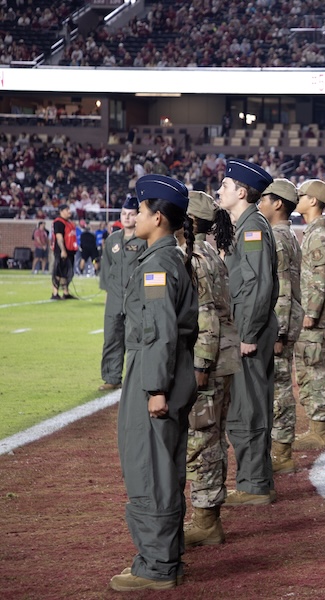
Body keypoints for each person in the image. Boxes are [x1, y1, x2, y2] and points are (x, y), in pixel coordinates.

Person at [108, 174, 198, 592]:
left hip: (155, 372)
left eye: (141, 209)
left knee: (150, 470)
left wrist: (155, 388)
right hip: (162, 370)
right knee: (163, 468)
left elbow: (160, 332)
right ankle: (166, 556)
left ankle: (157, 565)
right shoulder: (165, 258)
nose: (135, 216)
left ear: (157, 216)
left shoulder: (158, 265)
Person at [217, 159, 279, 506]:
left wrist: (249, 333)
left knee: (248, 406)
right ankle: (256, 479)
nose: (220, 191)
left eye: (225, 186)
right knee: (248, 403)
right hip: (248, 325)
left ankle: (254, 484)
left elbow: (257, 284)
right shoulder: (247, 226)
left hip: (249, 328)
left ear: (241, 192)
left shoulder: (253, 227)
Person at [181, 190, 240, 548]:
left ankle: (205, 521)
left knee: (201, 440)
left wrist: (200, 364)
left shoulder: (194, 258)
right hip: (221, 359)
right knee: (212, 436)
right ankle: (208, 515)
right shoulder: (210, 255)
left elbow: (204, 315)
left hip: (208, 361)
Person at [256, 179, 303, 474]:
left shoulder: (279, 237)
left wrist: (280, 331)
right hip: (283, 319)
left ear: (278, 204)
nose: (259, 203)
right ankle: (280, 448)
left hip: (281, 322)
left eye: (264, 199)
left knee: (280, 388)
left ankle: (282, 452)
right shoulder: (284, 234)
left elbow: (283, 289)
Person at [292, 178, 325, 451]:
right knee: (313, 369)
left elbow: (319, 277)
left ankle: (319, 429)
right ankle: (316, 426)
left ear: (312, 200)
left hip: (317, 315)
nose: (297, 199)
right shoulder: (320, 229)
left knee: (315, 370)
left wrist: (310, 313)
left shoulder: (320, 232)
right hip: (320, 312)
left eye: (301, 195)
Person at [98, 196, 146, 391]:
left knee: (134, 340)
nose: (127, 217)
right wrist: (109, 295)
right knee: (111, 338)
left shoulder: (144, 240)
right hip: (115, 299)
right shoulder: (112, 240)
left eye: (131, 214)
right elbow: (107, 269)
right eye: (124, 214)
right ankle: (112, 377)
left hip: (135, 299)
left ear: (137, 217)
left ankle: (136, 380)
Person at [51, 204, 77, 300]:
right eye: (67, 210)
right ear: (61, 211)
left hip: (70, 251)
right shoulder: (59, 222)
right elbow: (59, 237)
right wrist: (63, 250)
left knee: (67, 273)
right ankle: (55, 293)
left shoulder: (69, 223)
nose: (69, 211)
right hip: (62, 251)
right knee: (58, 271)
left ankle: (66, 292)